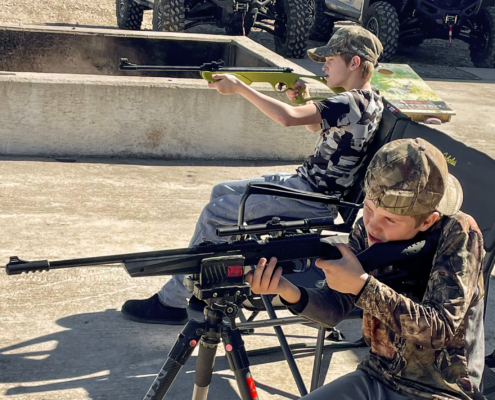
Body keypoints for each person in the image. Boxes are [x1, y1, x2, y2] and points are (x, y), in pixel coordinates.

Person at [121, 25, 385, 325]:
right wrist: (301, 99)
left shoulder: (349, 101)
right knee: (222, 192)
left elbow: (287, 119)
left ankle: (173, 302)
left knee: (215, 215)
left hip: (312, 197)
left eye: (332, 59)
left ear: (354, 63)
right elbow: (313, 124)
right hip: (308, 188)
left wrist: (240, 88)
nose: (323, 65)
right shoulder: (369, 100)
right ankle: (206, 283)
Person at [246, 138, 485, 400]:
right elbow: (334, 307)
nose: (372, 225)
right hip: (376, 375)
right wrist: (286, 289)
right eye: (369, 209)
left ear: (428, 220)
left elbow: (439, 329)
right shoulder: (367, 230)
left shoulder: (459, 232)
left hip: (441, 391)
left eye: (390, 219)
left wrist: (362, 287)